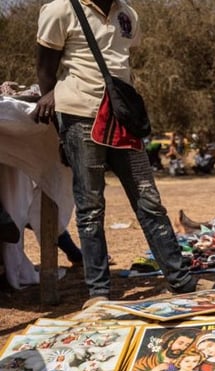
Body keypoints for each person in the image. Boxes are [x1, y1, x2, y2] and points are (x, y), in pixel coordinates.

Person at [33, 0, 198, 308]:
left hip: (123, 119)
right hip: (81, 117)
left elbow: (120, 62)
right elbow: (45, 68)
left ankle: (181, 281)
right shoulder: (60, 10)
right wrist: (59, 115)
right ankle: (99, 293)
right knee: (91, 207)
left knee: (149, 201)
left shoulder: (127, 14)